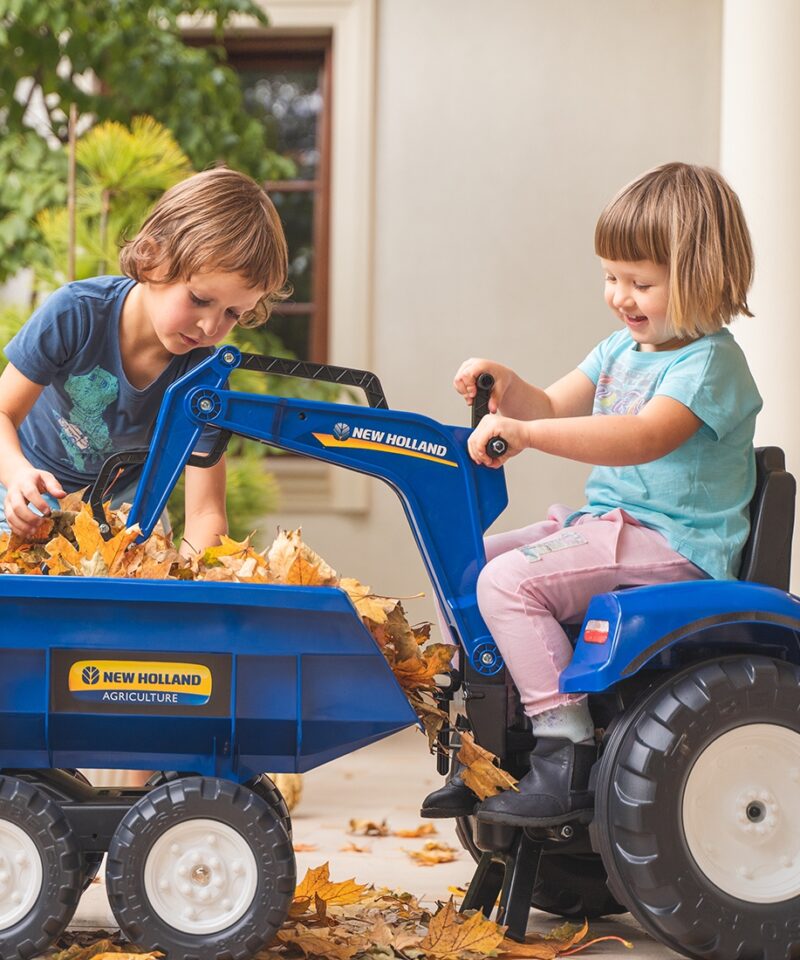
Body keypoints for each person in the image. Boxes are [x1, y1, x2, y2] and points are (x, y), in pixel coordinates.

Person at [421, 162, 761, 826]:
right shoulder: (619, 350)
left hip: (672, 544)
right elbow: (551, 403)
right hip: (609, 527)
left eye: (641, 283)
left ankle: (565, 751)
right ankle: (488, 739)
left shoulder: (711, 364)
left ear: (704, 278)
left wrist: (529, 433)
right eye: (611, 277)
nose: (620, 296)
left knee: (508, 584)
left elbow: (641, 436)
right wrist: (507, 385)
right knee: (467, 561)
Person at [0, 166, 289, 555]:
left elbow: (205, 514)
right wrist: (17, 474)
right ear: (153, 258)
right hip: (26, 492)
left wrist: (187, 585)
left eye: (232, 313)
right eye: (200, 299)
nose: (209, 326)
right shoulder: (76, 313)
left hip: (125, 514)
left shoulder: (203, 377)